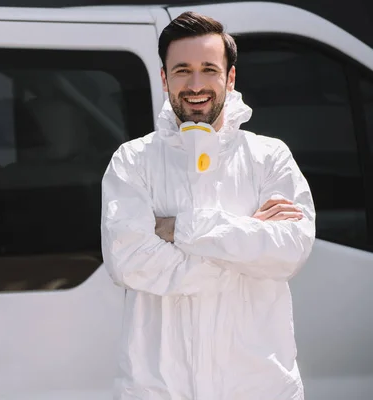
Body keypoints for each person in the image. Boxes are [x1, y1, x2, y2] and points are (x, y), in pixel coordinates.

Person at [100, 11, 316, 400]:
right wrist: (244, 246)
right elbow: (128, 260)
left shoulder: (269, 157)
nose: (195, 84)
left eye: (209, 69)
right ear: (164, 79)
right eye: (182, 70)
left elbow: (288, 253)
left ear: (230, 78)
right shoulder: (133, 161)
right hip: (159, 388)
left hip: (259, 387)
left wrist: (177, 227)